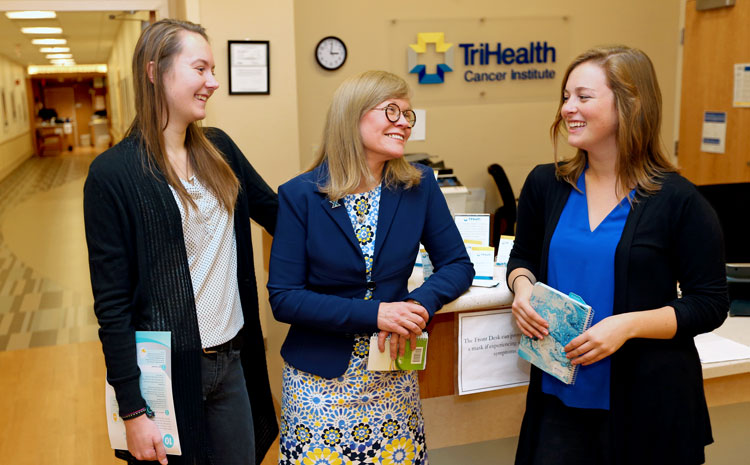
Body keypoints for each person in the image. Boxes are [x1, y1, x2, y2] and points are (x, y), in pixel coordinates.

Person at [507, 45, 728, 465]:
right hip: (559, 399)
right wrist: (523, 290)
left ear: (630, 104)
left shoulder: (678, 201)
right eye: (565, 97)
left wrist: (625, 326)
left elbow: (710, 303)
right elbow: (524, 258)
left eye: (584, 97)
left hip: (650, 405)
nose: (568, 108)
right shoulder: (545, 184)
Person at [84, 19, 278, 465]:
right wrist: (132, 409)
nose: (213, 82)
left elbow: (280, 215)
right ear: (154, 72)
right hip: (163, 376)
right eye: (201, 68)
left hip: (231, 362)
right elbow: (112, 305)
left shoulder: (219, 150)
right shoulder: (114, 175)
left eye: (213, 69)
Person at [267, 70, 474, 465]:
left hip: (393, 378)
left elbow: (457, 264)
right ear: (352, 116)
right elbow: (285, 298)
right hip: (319, 385)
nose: (403, 123)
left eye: (408, 115)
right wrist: (377, 313)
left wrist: (418, 306)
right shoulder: (300, 196)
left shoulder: (420, 186)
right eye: (391, 111)